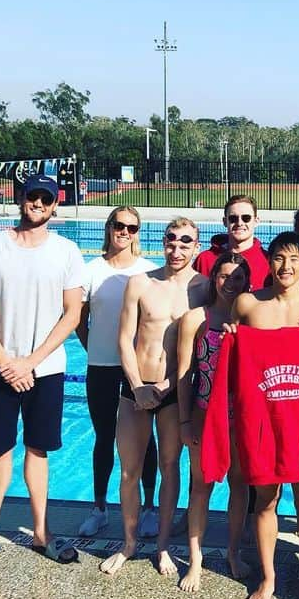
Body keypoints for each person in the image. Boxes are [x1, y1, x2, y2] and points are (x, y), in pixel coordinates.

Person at [0, 174, 85, 576]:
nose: (38, 203)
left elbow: (72, 314)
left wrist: (30, 362)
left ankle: (41, 533)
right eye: (32, 196)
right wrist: (7, 361)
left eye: (46, 198)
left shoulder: (67, 251)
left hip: (46, 370)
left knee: (38, 451)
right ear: (20, 197)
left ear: (55, 205)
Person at [230, 231, 299, 599]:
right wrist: (232, 336)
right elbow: (235, 358)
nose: (286, 266)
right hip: (263, 420)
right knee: (266, 499)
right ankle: (269, 577)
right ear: (269, 261)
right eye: (278, 258)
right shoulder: (247, 304)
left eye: (294, 259)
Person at [99, 217, 207, 578]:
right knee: (129, 471)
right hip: (136, 389)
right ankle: (129, 544)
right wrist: (137, 385)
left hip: (175, 392)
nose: (177, 249)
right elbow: (124, 338)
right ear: (163, 242)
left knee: (169, 468)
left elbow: (202, 348)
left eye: (185, 242)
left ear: (196, 245)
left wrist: (168, 387)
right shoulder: (140, 283)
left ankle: (162, 545)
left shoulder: (203, 288)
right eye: (171, 241)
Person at [75, 206, 159, 539]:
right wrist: (94, 348)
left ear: (138, 232)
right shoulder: (90, 270)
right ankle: (99, 509)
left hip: (139, 371)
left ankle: (149, 507)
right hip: (102, 367)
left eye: (132, 227)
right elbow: (79, 320)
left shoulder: (149, 271)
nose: (124, 232)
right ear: (109, 228)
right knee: (103, 437)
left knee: (145, 439)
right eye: (118, 225)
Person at [175, 252, 252, 591]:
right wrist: (184, 422)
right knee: (201, 487)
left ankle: (232, 552)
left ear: (247, 282)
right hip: (205, 414)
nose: (230, 284)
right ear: (213, 279)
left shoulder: (254, 318)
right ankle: (195, 559)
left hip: (241, 418)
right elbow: (183, 375)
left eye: (237, 278)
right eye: (224, 277)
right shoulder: (196, 319)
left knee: (239, 485)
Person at [194, 195, 268, 291]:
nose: (239, 223)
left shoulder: (268, 260)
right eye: (233, 218)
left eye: (246, 218)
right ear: (225, 221)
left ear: (256, 221)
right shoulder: (205, 259)